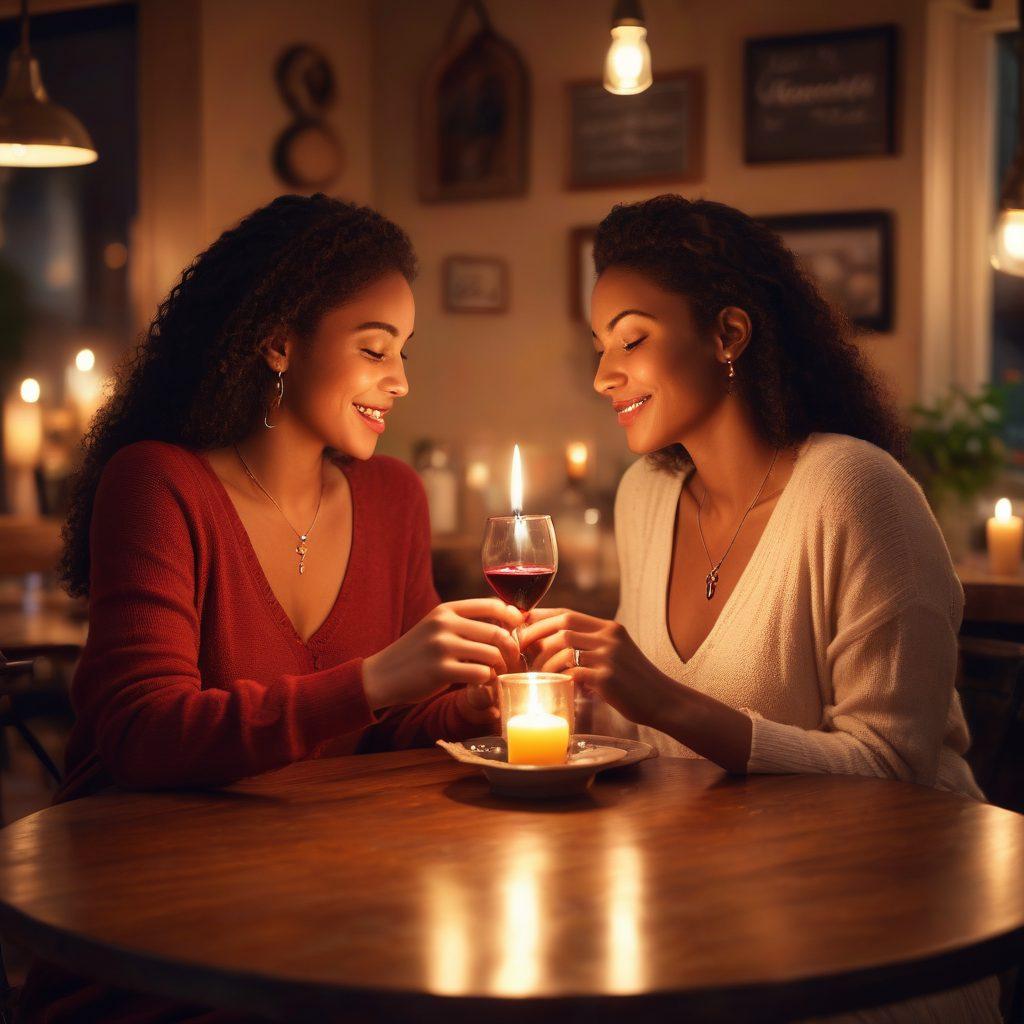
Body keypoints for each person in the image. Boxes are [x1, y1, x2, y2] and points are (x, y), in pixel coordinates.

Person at [20, 193, 518, 1021]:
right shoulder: (158, 485)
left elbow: (384, 726)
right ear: (279, 340)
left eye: (403, 351)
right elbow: (143, 734)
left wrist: (470, 701)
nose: (399, 380)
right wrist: (372, 680)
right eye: (374, 349)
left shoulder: (392, 496)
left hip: (319, 906)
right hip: (149, 926)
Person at [519, 195, 1001, 1023]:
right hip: (715, 907)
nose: (604, 374)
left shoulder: (857, 492)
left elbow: (894, 776)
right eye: (600, 347)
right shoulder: (647, 494)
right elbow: (657, 752)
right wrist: (577, 697)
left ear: (728, 335)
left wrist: (661, 696)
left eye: (631, 338)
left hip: (883, 933)